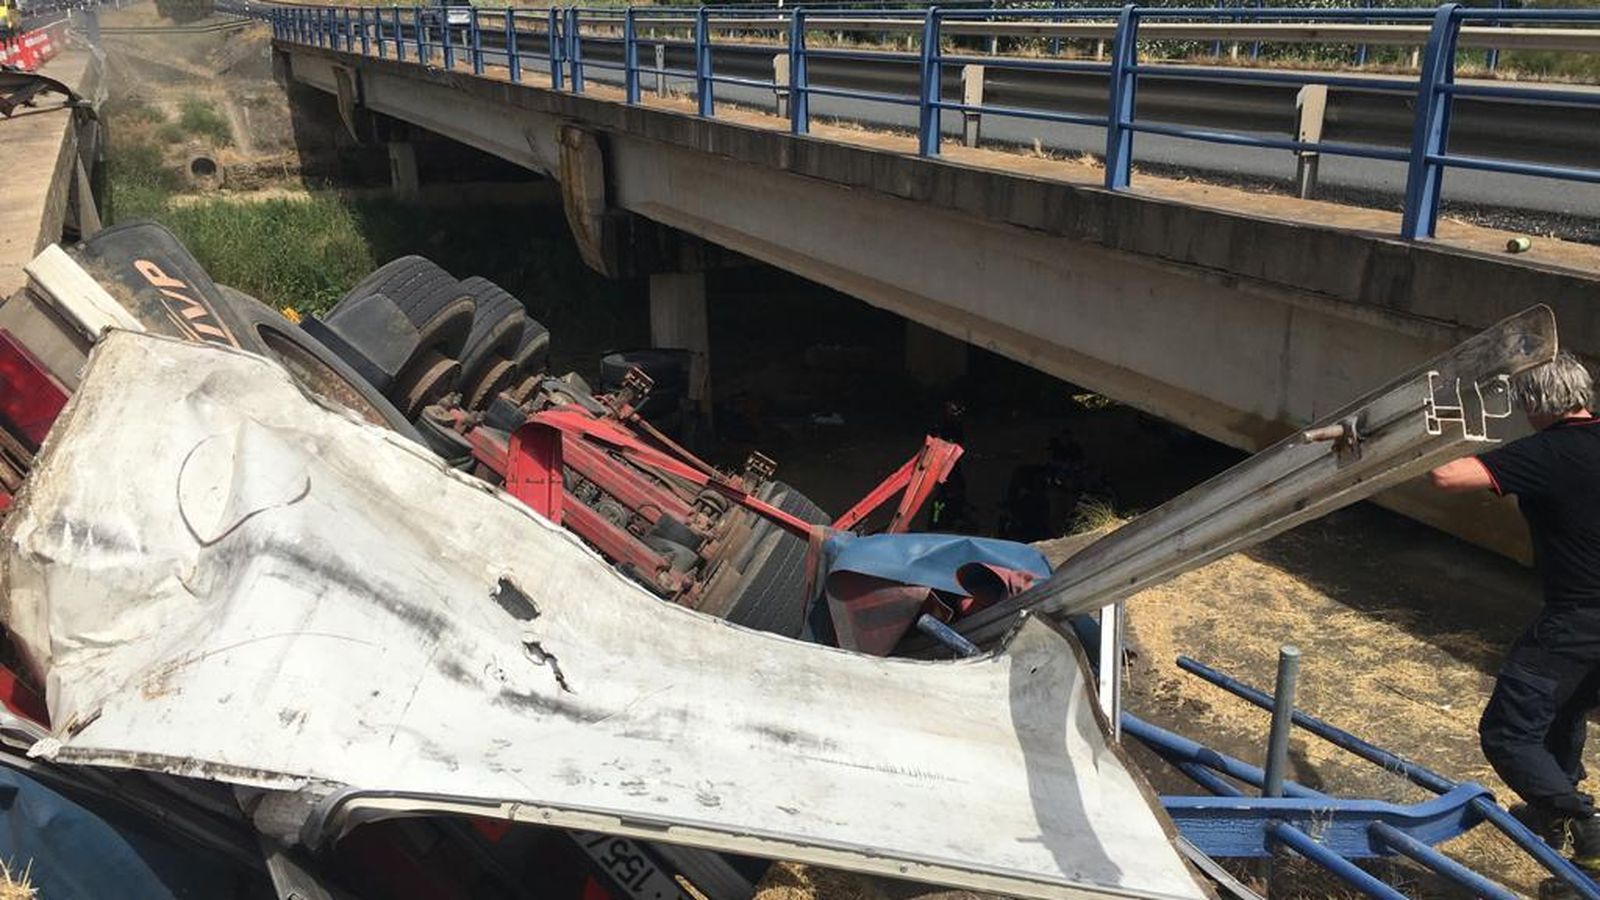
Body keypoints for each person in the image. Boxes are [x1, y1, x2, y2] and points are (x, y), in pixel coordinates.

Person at [1430, 351, 1600, 872]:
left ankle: (1584, 823)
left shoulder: (1548, 452)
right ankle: (1555, 811)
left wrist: (1421, 432)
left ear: (1536, 403)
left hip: (1578, 618)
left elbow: (1447, 477)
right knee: (1565, 706)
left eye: (1524, 403)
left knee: (1507, 730)